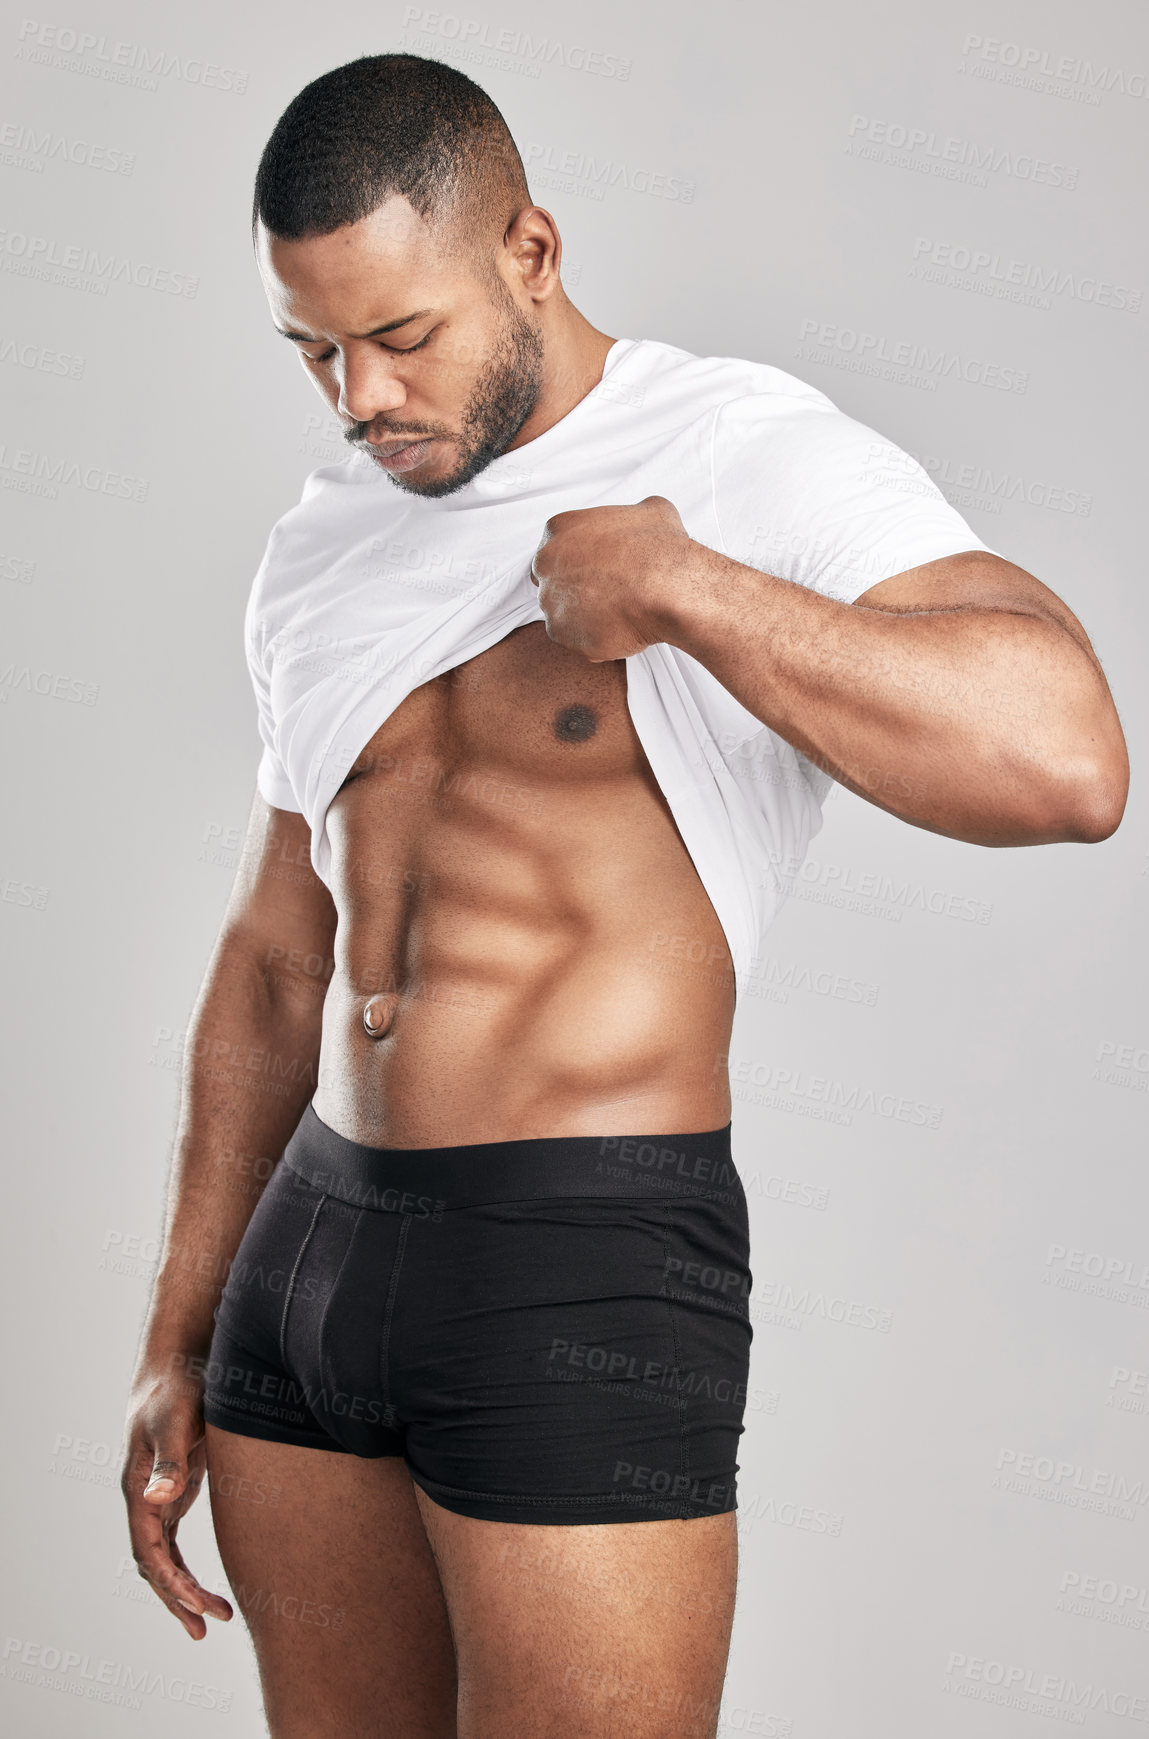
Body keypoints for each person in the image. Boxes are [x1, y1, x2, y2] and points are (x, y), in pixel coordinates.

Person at [120, 53, 1128, 1739]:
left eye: (402, 338)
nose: (359, 399)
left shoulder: (735, 455)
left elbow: (1067, 762)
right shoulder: (325, 538)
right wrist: (181, 1320)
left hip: (575, 1258)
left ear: (529, 252)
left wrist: (683, 583)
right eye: (316, 352)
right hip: (305, 1267)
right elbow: (277, 959)